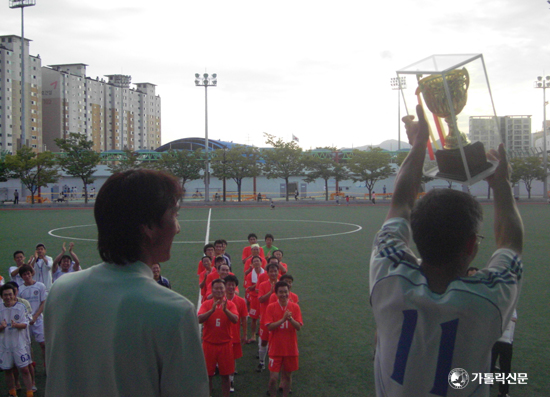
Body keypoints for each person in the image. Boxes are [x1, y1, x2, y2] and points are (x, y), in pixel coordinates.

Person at [369, 105, 523, 396]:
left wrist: (418, 144)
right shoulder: (488, 300)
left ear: (416, 235)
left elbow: (400, 202)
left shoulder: (387, 278)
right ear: (471, 244)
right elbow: (511, 241)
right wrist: (501, 182)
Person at [44, 169, 209, 396]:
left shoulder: (60, 291)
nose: (178, 228)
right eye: (175, 215)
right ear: (149, 227)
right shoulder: (175, 311)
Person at [198, 279, 238, 397]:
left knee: (225, 376)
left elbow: (235, 320)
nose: (219, 291)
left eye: (221, 288)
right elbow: (199, 319)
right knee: (208, 375)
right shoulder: (206, 304)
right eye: (216, 288)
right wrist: (212, 310)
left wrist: (225, 310)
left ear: (225, 289)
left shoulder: (230, 304)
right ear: (212, 290)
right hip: (209, 344)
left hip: (225, 345)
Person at [264, 281, 303, 397]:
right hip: (275, 349)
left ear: (289, 292)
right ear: (276, 293)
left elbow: (298, 327)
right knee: (273, 379)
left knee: (287, 376)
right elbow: (269, 327)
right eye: (280, 292)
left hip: (290, 349)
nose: (283, 294)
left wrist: (290, 319)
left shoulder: (295, 307)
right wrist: (282, 319)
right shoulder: (271, 307)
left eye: (285, 292)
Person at [0, 284, 34, 397]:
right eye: (5, 295)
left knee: (24, 369)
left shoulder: (20, 307)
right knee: (7, 370)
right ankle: (12, 392)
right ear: (2, 296)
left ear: (14, 295)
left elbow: (25, 324)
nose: (8, 297)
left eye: (10, 294)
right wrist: (2, 327)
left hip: (19, 344)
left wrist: (16, 325)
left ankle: (29, 393)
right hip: (4, 346)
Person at [18, 265, 47, 368]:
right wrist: (28, 318)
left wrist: (35, 316)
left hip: (38, 319)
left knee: (43, 344)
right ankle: (31, 365)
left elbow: (43, 302)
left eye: (28, 273)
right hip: (26, 321)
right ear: (21, 276)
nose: (27, 276)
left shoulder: (40, 286)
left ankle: (46, 365)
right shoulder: (20, 290)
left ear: (31, 273)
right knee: (28, 345)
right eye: (24, 274)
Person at [224, 275, 248, 393]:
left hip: (234, 335)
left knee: (232, 359)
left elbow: (244, 318)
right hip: (221, 336)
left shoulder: (240, 301)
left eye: (233, 285)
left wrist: (245, 334)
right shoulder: (220, 299)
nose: (231, 287)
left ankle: (231, 380)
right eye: (228, 284)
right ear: (225, 286)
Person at [491, 310, 517, 397]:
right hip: (505, 341)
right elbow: (514, 319)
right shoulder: (511, 307)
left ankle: (486, 385)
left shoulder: (496, 305)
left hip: (494, 339)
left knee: (490, 363)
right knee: (505, 368)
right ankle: (502, 392)